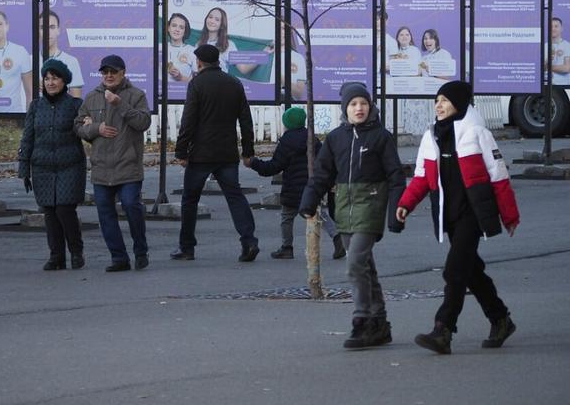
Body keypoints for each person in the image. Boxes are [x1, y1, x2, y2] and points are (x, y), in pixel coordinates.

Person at [396, 80, 520, 355]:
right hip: (448, 214)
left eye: (444, 100)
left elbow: (499, 176)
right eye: (436, 101)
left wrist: (509, 215)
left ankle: (443, 330)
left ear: (459, 103)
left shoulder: (477, 134)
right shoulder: (431, 137)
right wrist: (406, 204)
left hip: (472, 215)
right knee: (471, 271)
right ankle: (501, 319)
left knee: (454, 271)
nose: (438, 105)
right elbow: (421, 177)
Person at [299, 82, 406, 349]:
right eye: (353, 104)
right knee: (365, 266)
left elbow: (395, 177)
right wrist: (309, 201)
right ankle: (379, 322)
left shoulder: (381, 137)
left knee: (354, 263)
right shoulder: (336, 138)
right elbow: (322, 173)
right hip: (343, 207)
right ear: (345, 108)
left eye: (364, 103)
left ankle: (361, 321)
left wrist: (396, 211)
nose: (359, 108)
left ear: (371, 107)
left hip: (370, 205)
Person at [172, 44, 260, 262]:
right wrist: (248, 150)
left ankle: (187, 247)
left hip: (201, 154)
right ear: (218, 61)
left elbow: (188, 120)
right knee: (235, 197)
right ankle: (249, 241)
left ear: (200, 62)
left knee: (190, 199)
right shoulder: (234, 83)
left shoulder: (197, 84)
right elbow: (246, 120)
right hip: (227, 152)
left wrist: (181, 151)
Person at [74, 54, 151, 272]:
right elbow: (78, 126)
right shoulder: (91, 97)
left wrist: (121, 105)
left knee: (130, 205)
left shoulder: (136, 95)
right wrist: (94, 128)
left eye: (113, 72)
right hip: (101, 168)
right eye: (105, 72)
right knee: (105, 215)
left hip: (128, 165)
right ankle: (119, 258)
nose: (108, 76)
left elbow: (143, 122)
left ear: (123, 73)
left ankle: (141, 251)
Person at [245, 106, 344, 260]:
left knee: (287, 217)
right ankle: (337, 237)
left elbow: (274, 166)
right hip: (312, 186)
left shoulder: (286, 142)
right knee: (318, 213)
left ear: (287, 124)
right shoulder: (313, 139)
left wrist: (254, 163)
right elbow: (325, 161)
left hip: (292, 188)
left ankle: (287, 247)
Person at [19, 59, 87, 271]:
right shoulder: (36, 106)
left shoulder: (75, 105)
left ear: (64, 81)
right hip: (42, 167)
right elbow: (27, 137)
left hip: (70, 165)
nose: (50, 82)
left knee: (65, 210)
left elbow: (86, 132)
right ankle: (56, 256)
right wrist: (24, 167)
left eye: (55, 78)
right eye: (47, 78)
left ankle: (76, 251)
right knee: (49, 212)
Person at [38, 10, 84, 97]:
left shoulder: (71, 61)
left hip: (62, 110)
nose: (47, 32)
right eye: (43, 28)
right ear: (38, 31)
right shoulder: (29, 61)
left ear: (58, 30)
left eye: (52, 27)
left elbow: (76, 100)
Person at [196, 7, 237, 74]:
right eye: (210, 17)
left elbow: (243, 68)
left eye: (217, 19)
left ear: (222, 25)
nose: (212, 21)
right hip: (201, 83)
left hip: (220, 83)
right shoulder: (199, 44)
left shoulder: (228, 45)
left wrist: (260, 55)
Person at [166, 13, 197, 83]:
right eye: (174, 25)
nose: (177, 29)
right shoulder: (159, 48)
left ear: (185, 31)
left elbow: (198, 82)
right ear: (168, 28)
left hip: (183, 92)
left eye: (181, 27)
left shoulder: (192, 51)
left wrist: (180, 77)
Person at [549, 17, 570, 86]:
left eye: (556, 26)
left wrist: (548, 66)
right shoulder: (545, 46)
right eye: (551, 26)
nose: (553, 29)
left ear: (561, 29)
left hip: (562, 85)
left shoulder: (567, 46)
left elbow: (567, 68)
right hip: (547, 85)